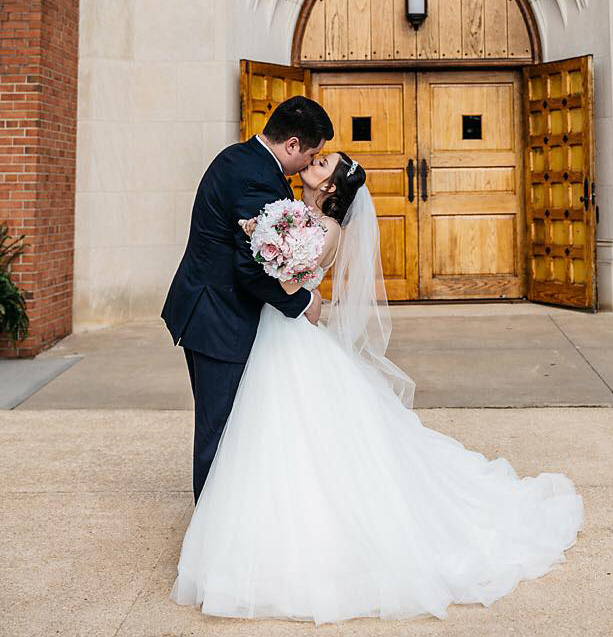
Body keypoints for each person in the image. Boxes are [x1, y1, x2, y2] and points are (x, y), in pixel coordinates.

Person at [170, 150, 585, 624]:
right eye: (319, 156)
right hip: (271, 333)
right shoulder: (288, 210)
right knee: (269, 436)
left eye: (324, 163)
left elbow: (286, 283)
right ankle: (247, 529)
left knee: (290, 434)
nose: (316, 161)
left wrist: (275, 262)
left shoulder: (325, 229)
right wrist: (258, 237)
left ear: (329, 189)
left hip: (286, 336)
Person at [161, 95, 333, 502]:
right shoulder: (255, 178)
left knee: (229, 423)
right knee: (220, 429)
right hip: (218, 316)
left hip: (208, 308)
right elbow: (251, 266)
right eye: (311, 154)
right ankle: (211, 527)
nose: (309, 163)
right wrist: (302, 302)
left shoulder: (238, 157)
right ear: (292, 144)